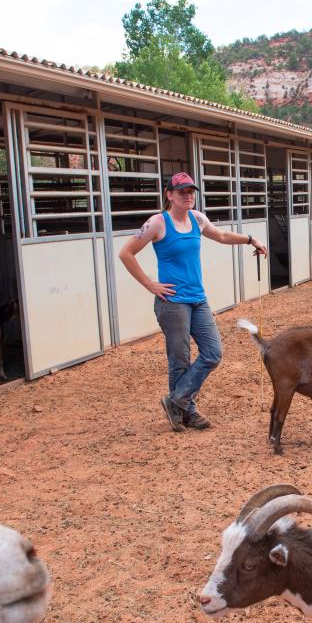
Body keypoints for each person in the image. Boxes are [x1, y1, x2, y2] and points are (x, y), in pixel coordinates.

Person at [119, 172, 268, 431]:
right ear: (169, 195)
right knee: (180, 359)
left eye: (191, 191)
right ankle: (187, 412)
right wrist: (149, 283)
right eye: (182, 192)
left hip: (198, 299)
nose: (188, 195)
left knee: (213, 353)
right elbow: (126, 253)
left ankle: (177, 401)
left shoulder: (197, 218)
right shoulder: (157, 223)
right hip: (172, 302)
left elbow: (221, 236)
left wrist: (250, 240)